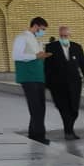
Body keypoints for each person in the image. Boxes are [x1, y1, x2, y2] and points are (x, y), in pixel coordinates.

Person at [12, 16, 53, 144]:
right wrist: (36, 56)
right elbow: (16, 56)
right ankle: (39, 136)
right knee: (36, 107)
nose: (43, 32)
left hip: (38, 76)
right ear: (35, 26)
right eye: (42, 29)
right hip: (28, 76)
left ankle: (33, 133)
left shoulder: (35, 40)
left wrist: (43, 56)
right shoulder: (22, 38)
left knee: (40, 107)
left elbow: (37, 56)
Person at [44, 25, 84, 139]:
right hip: (58, 84)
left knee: (74, 110)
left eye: (66, 36)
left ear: (70, 35)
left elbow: (83, 64)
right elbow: (47, 67)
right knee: (63, 108)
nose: (64, 38)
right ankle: (69, 132)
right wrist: (48, 84)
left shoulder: (77, 47)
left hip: (74, 84)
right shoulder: (51, 47)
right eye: (61, 36)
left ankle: (69, 130)